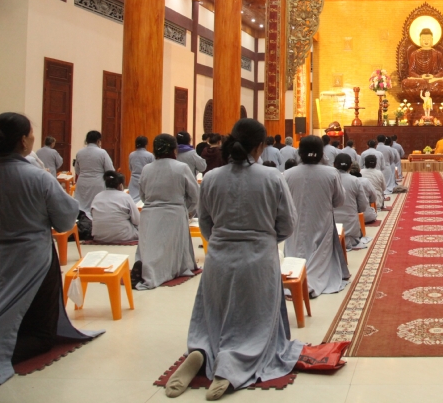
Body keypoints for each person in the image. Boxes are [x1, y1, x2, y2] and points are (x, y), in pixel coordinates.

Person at [167, 119, 302, 400]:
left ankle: (202, 352)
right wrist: (264, 239)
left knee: (216, 311)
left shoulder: (213, 177)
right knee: (255, 318)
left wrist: (222, 240)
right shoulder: (271, 177)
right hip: (258, 257)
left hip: (219, 255)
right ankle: (232, 367)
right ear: (261, 146)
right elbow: (287, 224)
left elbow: (204, 223)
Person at [0, 113, 98, 391]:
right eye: (31, 134)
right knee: (41, 333)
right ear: (24, 141)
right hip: (33, 258)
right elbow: (64, 221)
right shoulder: (38, 178)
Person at [283, 136, 350, 297]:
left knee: (295, 246)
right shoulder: (331, 172)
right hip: (321, 219)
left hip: (295, 222)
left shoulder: (287, 173)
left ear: (299, 152)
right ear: (322, 153)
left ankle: (292, 276)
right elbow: (339, 201)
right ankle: (311, 280)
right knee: (319, 247)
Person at [134, 134, 199, 290]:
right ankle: (170, 270)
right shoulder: (181, 167)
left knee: (150, 247)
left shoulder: (147, 168)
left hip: (149, 213)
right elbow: (195, 194)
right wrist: (188, 211)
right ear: (174, 150)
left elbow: (142, 194)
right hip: (175, 212)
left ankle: (148, 269)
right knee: (172, 248)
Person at [74, 130, 115, 217]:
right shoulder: (102, 152)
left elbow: (77, 170)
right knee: (96, 207)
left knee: (82, 206)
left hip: (82, 182)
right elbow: (110, 170)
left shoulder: (80, 152)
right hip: (97, 182)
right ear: (98, 141)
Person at [91, 170, 140, 243]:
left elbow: (93, 215)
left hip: (99, 235)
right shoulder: (125, 197)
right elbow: (137, 220)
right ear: (120, 185)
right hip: (123, 235)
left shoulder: (97, 196)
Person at [333, 154, 370, 250]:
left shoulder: (328, 179)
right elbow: (363, 205)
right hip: (350, 225)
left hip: (331, 227)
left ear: (334, 165)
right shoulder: (355, 180)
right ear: (350, 166)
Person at [128, 136, 155, 202]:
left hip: (133, 180)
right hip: (146, 179)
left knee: (132, 199)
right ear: (146, 145)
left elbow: (130, 168)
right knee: (143, 200)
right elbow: (153, 168)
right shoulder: (150, 155)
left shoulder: (131, 155)